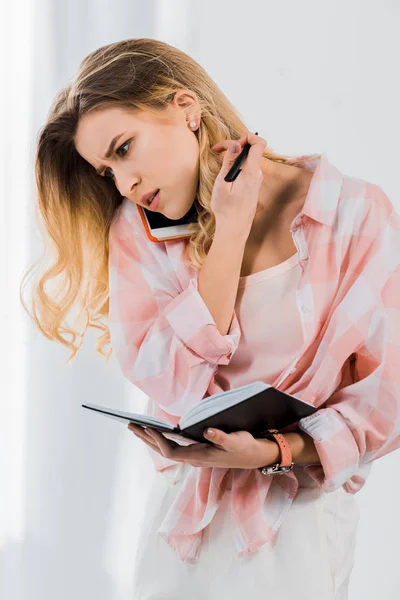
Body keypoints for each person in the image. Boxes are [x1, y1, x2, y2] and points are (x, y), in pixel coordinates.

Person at [20, 37, 400, 599]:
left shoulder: (352, 214)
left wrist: (272, 453)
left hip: (298, 518)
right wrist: (230, 228)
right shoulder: (138, 233)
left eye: (124, 149)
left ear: (186, 107)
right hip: (186, 522)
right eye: (107, 171)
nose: (124, 185)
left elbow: (384, 397)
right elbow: (173, 382)